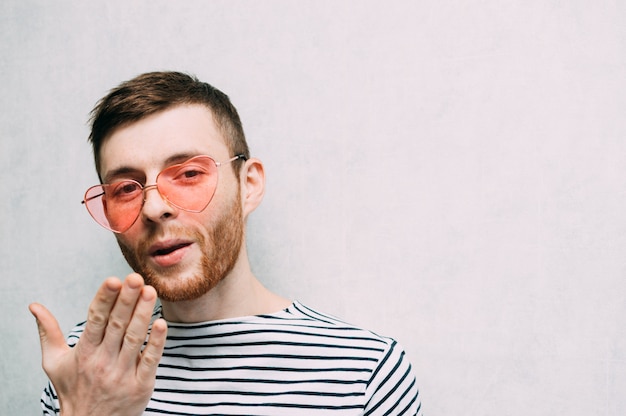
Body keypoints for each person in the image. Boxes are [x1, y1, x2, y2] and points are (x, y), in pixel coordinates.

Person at [29, 71, 422, 415]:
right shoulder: (86, 364)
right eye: (126, 188)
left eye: (188, 173)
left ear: (248, 186)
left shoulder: (364, 373)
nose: (153, 208)